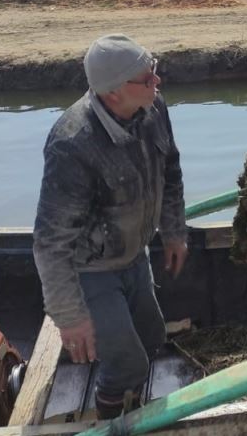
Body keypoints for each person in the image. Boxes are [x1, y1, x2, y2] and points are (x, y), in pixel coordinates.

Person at [32, 34, 189, 419]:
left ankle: (131, 402)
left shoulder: (153, 108)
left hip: (134, 256)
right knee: (128, 364)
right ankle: (111, 417)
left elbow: (171, 170)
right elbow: (50, 244)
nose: (157, 83)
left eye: (154, 71)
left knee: (152, 339)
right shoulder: (72, 145)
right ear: (114, 92)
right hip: (91, 271)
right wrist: (71, 318)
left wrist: (174, 231)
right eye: (147, 78)